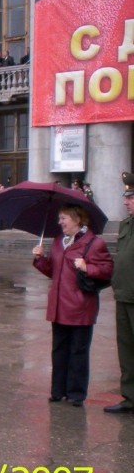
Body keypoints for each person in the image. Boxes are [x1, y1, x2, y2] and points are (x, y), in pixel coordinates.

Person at [32, 204, 113, 407]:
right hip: (59, 306)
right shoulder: (59, 242)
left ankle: (76, 393)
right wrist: (40, 259)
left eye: (63, 219)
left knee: (78, 351)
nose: (60, 223)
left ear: (77, 220)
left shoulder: (94, 243)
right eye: (59, 218)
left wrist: (88, 267)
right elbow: (54, 271)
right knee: (59, 350)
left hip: (80, 307)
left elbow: (107, 270)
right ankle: (58, 390)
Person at [105, 172, 134, 414]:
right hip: (124, 295)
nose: (126, 201)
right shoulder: (126, 225)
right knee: (126, 348)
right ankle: (130, 397)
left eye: (131, 197)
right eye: (126, 196)